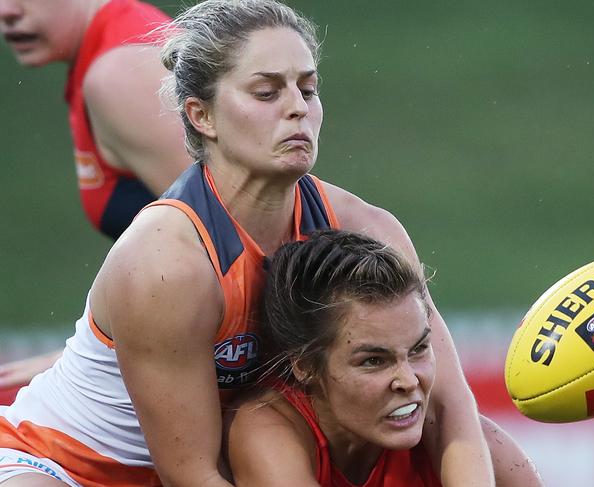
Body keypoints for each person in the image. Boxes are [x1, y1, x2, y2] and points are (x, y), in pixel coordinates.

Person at [0, 1, 542, 485]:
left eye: (307, 88)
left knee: (492, 451)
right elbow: (190, 476)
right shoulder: (169, 262)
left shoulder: (367, 228)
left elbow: (450, 409)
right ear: (200, 115)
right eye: (266, 91)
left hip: (220, 464)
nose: (297, 108)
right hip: (60, 465)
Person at [0, 0, 192, 393]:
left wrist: (81, 362)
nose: (6, 10)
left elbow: (250, 243)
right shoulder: (115, 50)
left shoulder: (120, 72)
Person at [227, 229, 443, 486]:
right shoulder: (265, 431)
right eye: (373, 361)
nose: (409, 382)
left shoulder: (454, 440)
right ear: (304, 364)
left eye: (418, 349)